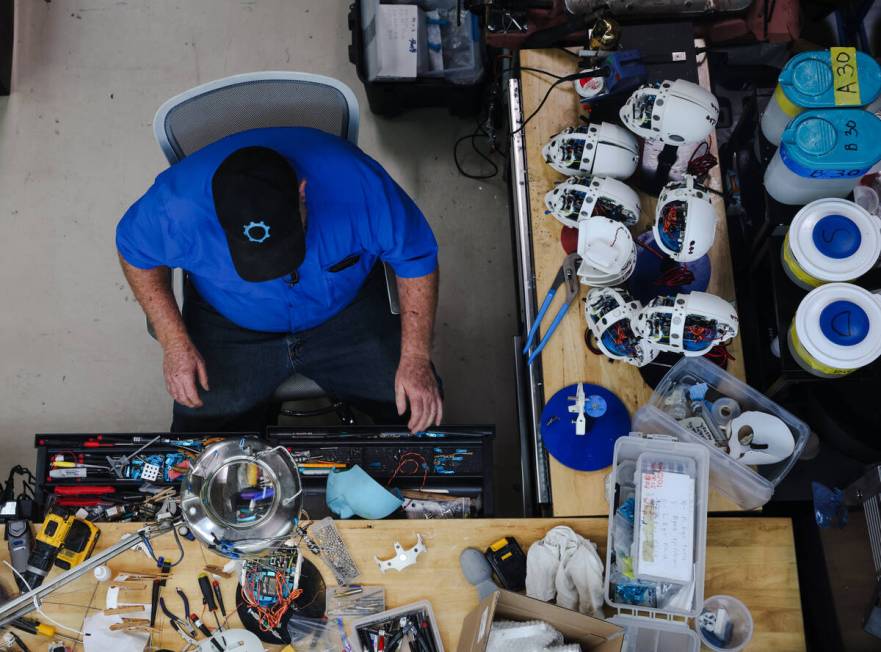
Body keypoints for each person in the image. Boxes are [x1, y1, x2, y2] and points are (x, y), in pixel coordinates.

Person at [116, 127, 443, 433]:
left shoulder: (360, 185)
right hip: (230, 324)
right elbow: (136, 256)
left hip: (346, 311)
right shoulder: (176, 208)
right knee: (200, 447)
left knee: (418, 416)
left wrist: (415, 357)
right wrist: (174, 343)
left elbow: (415, 258)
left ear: (301, 192)